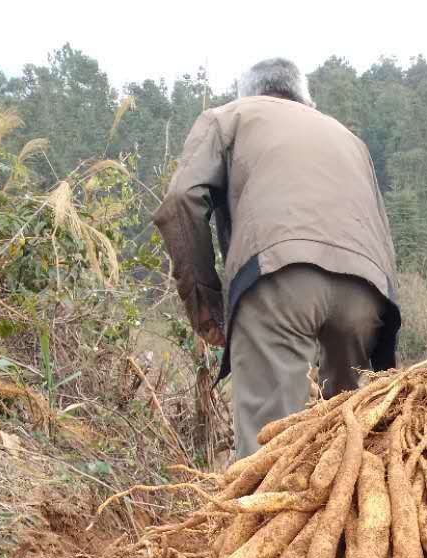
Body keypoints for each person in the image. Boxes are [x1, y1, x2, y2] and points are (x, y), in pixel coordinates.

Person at [155, 58, 400, 456]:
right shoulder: (348, 137)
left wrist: (207, 307)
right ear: (305, 98)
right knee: (348, 443)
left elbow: (181, 201)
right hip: (366, 289)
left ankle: (263, 510)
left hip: (277, 279)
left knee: (266, 453)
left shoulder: (229, 116)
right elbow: (380, 230)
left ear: (248, 94)